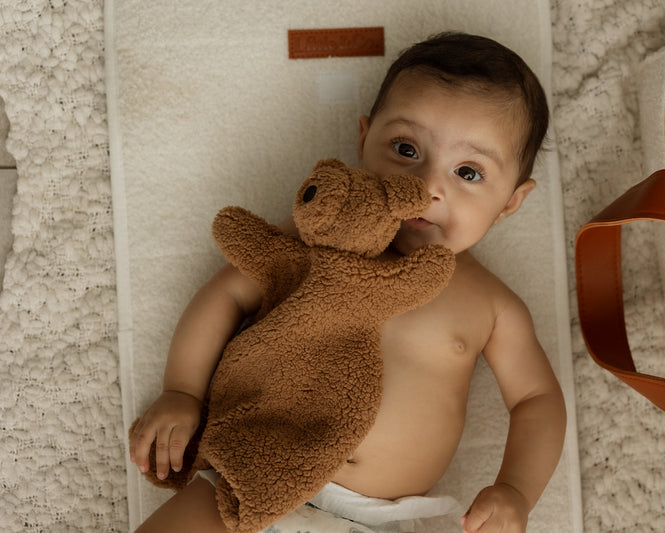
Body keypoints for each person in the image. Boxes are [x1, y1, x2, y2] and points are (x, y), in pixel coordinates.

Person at [129, 31, 566, 533]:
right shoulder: (318, 240)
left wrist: (516, 489)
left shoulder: (491, 305)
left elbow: (537, 400)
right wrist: (182, 390)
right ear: (363, 140)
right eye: (405, 148)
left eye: (468, 172)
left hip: (372, 521)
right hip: (247, 476)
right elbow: (229, 290)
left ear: (512, 200)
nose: (425, 187)